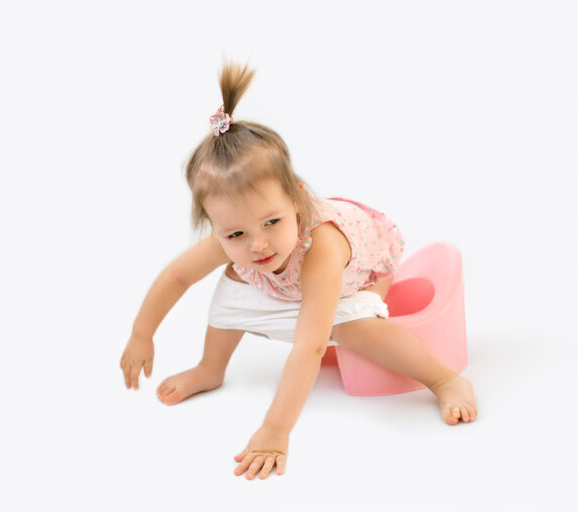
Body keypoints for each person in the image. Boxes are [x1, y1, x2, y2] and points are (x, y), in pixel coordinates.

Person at [119, 61, 478, 480]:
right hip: (288, 282)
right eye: (235, 233)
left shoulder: (322, 246)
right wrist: (141, 334)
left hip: (358, 274)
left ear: (297, 199)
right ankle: (210, 368)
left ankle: (442, 379)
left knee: (350, 329)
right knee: (230, 289)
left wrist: (276, 429)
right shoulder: (239, 239)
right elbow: (177, 276)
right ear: (215, 227)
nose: (258, 244)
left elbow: (309, 347)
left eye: (271, 222)